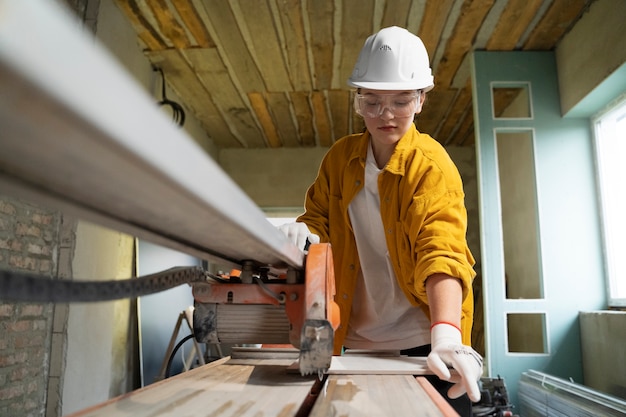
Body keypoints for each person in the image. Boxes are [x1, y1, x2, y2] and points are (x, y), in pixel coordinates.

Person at [279, 26, 482, 416]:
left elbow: (442, 253)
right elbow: (318, 222)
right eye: (371, 102)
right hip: (350, 341)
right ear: (358, 101)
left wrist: (446, 336)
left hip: (423, 346)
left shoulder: (432, 168)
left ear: (421, 100)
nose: (385, 115)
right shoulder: (340, 159)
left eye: (401, 102)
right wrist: (301, 233)